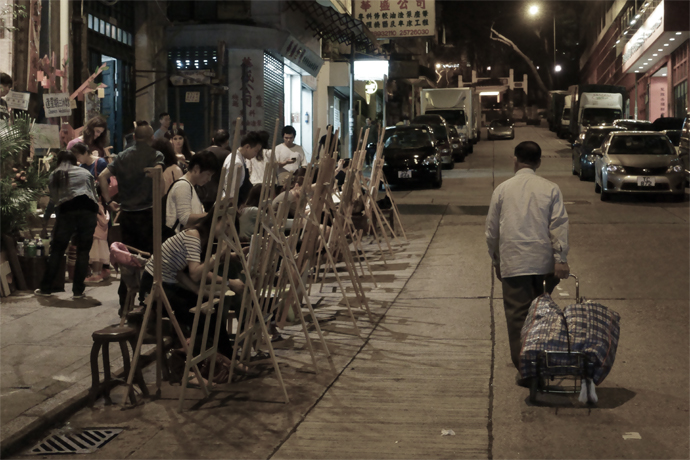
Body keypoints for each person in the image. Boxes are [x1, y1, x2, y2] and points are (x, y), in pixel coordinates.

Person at [485, 141, 570, 379]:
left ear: (515, 160)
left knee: (518, 318)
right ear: (539, 163)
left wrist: (496, 260)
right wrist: (560, 259)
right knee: (541, 315)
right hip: (544, 265)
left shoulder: (502, 190)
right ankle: (542, 360)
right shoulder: (551, 188)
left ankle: (525, 368)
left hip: (514, 263)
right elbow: (559, 226)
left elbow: (492, 232)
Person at [138, 208, 245, 362]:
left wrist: (197, 291)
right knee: (202, 316)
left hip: (168, 283)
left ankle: (226, 358)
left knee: (209, 310)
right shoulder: (193, 235)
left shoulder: (201, 237)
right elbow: (195, 273)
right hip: (153, 288)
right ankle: (207, 360)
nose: (226, 231)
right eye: (226, 225)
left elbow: (182, 272)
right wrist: (218, 257)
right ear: (216, 219)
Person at [98, 125, 165, 307]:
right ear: (152, 138)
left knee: (127, 259)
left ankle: (125, 304)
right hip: (148, 214)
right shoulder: (155, 155)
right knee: (150, 261)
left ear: (134, 136)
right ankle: (146, 302)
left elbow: (102, 177)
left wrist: (109, 201)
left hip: (127, 215)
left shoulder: (121, 157)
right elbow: (159, 178)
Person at [34, 150, 99, 299]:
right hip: (88, 211)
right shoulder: (84, 173)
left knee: (57, 250)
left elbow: (56, 200)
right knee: (83, 252)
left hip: (67, 212)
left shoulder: (55, 175)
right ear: (74, 161)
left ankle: (46, 288)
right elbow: (94, 196)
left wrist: (50, 218)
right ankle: (78, 291)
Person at [166, 151, 219, 234]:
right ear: (196, 169)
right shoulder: (183, 185)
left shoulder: (190, 186)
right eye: (208, 174)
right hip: (179, 240)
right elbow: (185, 219)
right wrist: (211, 214)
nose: (209, 179)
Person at [196, 129, 231, 210]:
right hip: (218, 193)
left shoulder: (202, 152)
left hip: (202, 192)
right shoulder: (227, 154)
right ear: (227, 141)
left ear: (213, 140)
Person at [222, 132, 263, 201]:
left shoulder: (240, 159)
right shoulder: (236, 162)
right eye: (256, 151)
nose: (256, 154)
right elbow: (231, 190)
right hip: (233, 203)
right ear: (247, 147)